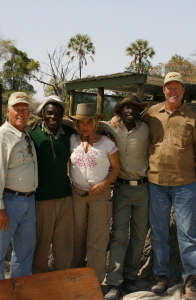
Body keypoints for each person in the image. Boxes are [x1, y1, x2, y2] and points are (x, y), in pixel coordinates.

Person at [110, 72, 196, 300]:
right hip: (155, 183)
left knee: (188, 234)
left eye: (176, 88)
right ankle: (161, 276)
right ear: (163, 90)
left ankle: (191, 280)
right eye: (168, 88)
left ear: (183, 90)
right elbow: (130, 121)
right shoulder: (151, 114)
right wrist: (115, 119)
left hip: (185, 184)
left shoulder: (194, 118)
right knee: (158, 233)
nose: (172, 92)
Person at [0, 92, 38, 282]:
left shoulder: (26, 134)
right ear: (8, 111)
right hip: (7, 202)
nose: (21, 113)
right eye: (17, 109)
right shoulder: (0, 138)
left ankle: (18, 294)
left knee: (23, 255)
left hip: (28, 202)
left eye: (25, 109)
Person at [101, 95, 150, 300]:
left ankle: (130, 277)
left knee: (139, 236)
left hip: (143, 189)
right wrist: (39, 118)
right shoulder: (111, 129)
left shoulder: (147, 129)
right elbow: (83, 123)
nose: (130, 111)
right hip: (120, 188)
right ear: (119, 112)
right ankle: (114, 282)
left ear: (139, 112)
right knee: (119, 236)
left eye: (134, 108)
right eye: (126, 108)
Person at [69, 103, 121, 284]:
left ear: (95, 122)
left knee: (97, 240)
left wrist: (105, 183)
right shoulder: (73, 140)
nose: (85, 126)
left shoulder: (107, 143)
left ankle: (94, 283)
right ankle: (75, 280)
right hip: (77, 194)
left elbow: (116, 168)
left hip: (100, 196)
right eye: (81, 123)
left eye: (88, 122)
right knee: (76, 238)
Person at [29, 95, 76, 274]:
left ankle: (63, 280)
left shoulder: (69, 133)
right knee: (41, 245)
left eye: (58, 114)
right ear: (42, 113)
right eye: (49, 113)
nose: (53, 117)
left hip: (65, 197)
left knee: (64, 244)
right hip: (41, 199)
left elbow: (91, 127)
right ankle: (41, 282)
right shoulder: (32, 132)